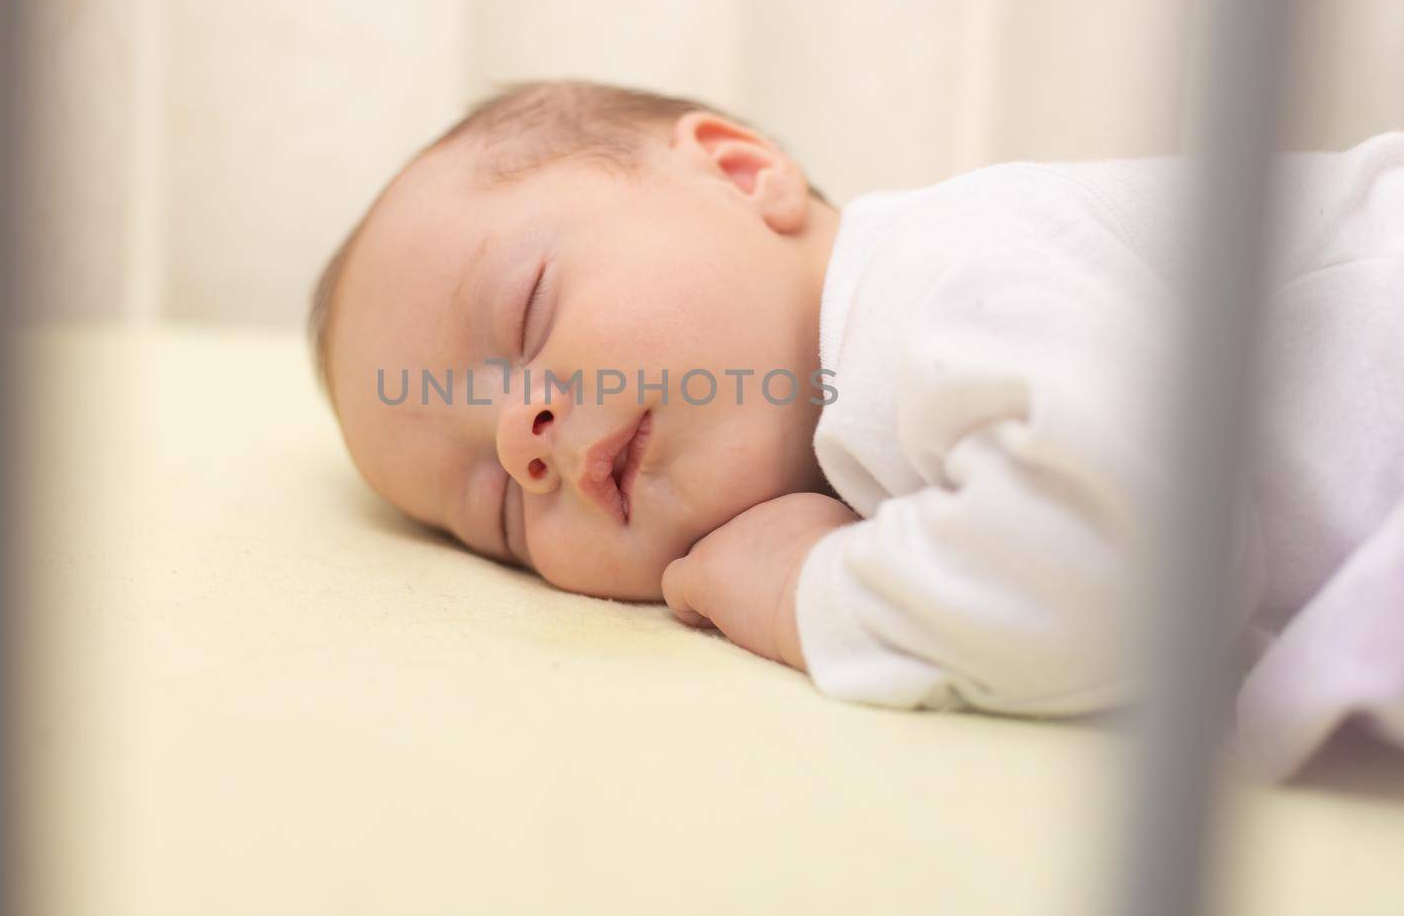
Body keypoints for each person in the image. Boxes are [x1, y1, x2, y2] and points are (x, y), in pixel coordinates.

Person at [309, 80, 1404, 779]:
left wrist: (811, 585)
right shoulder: (888, 420)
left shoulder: (931, 275)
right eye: (497, 510)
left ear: (742, 173)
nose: (519, 440)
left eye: (526, 311)